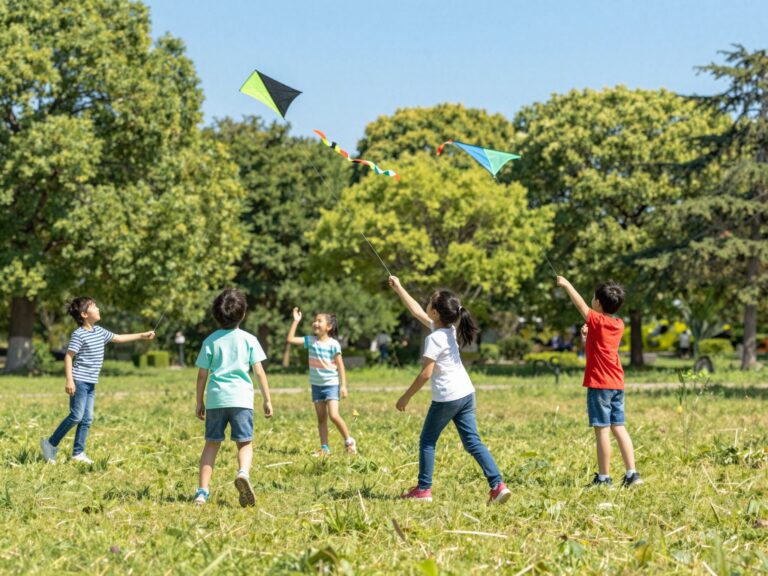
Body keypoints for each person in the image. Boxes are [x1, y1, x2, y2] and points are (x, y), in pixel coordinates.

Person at [388, 276, 511, 505]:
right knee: (473, 442)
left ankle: (424, 489)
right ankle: (498, 485)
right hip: (466, 393)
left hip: (447, 398)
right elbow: (417, 312)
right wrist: (400, 288)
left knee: (427, 441)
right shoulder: (449, 331)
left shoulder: (434, 338)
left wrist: (405, 397)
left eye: (430, 302)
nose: (426, 304)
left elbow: (426, 373)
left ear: (435, 313)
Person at [40, 297, 155, 465]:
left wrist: (142, 335)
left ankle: (78, 453)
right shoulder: (79, 334)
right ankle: (50, 443)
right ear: (85, 314)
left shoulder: (99, 331)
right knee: (76, 416)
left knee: (87, 419)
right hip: (79, 380)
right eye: (94, 307)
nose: (98, 309)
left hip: (91, 382)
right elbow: (68, 356)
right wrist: (69, 380)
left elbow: (119, 338)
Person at [556, 276, 643, 488]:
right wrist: (587, 335)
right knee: (619, 427)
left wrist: (567, 285)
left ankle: (604, 478)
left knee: (602, 429)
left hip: (600, 385)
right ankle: (632, 474)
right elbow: (600, 344)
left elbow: (581, 306)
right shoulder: (618, 324)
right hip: (616, 383)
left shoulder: (596, 319)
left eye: (594, 298)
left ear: (597, 303)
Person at [193, 289, 273, 506]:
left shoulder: (210, 341)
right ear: (243, 314)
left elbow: (202, 375)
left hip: (217, 399)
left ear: (216, 315)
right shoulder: (249, 339)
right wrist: (267, 399)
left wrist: (199, 401)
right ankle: (243, 474)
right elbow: (259, 371)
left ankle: (202, 492)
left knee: (211, 445)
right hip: (241, 400)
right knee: (244, 443)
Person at [286, 307, 356, 456]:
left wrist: (343, 386)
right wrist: (296, 321)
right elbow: (290, 339)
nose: (315, 323)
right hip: (316, 386)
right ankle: (325, 448)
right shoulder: (310, 341)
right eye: (315, 321)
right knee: (321, 419)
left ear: (329, 327)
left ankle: (349, 441)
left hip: (331, 385)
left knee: (334, 415)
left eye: (319, 321)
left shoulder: (333, 344)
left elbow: (341, 366)